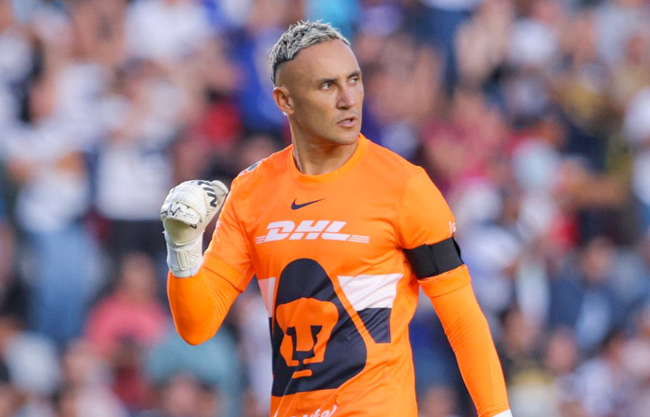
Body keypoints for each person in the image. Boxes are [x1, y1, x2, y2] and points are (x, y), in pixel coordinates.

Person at [160, 21, 512, 417]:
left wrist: (497, 413)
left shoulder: (405, 186)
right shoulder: (252, 191)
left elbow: (462, 318)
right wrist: (183, 246)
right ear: (285, 100)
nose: (349, 99)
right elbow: (197, 326)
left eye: (354, 80)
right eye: (327, 85)